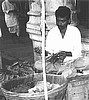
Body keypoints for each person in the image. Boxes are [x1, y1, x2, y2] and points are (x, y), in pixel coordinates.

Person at [35, 6, 82, 74]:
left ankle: (60, 70)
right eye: (58, 20)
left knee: (86, 61)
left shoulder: (75, 31)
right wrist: (43, 52)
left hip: (71, 62)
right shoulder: (52, 32)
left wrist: (66, 54)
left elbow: (78, 52)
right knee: (37, 64)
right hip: (56, 63)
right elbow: (49, 52)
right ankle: (66, 71)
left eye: (63, 21)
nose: (60, 24)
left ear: (69, 20)